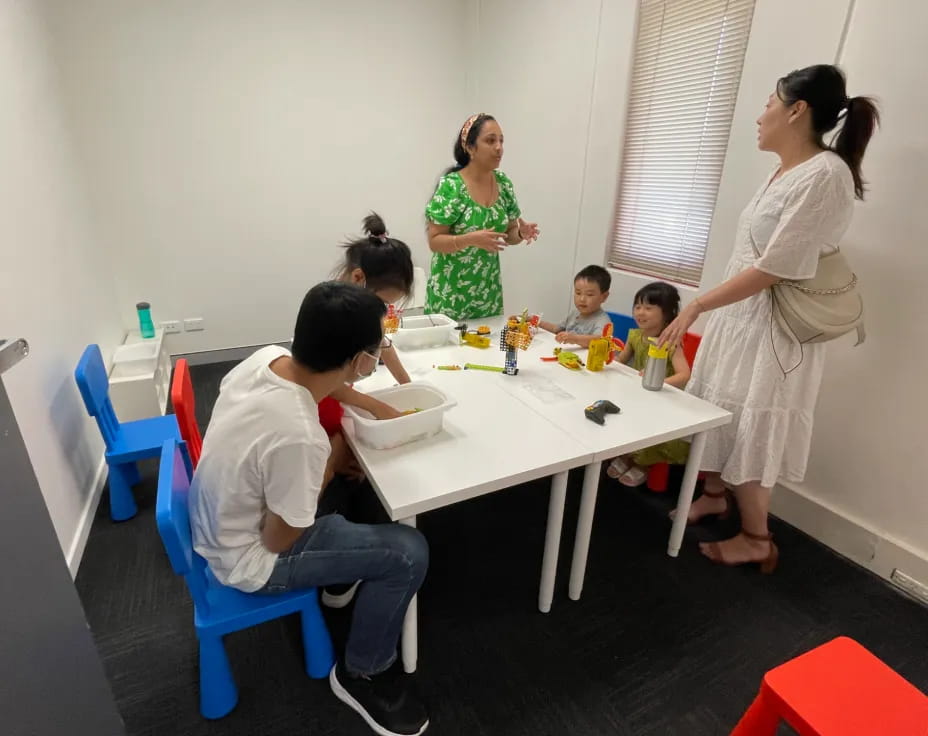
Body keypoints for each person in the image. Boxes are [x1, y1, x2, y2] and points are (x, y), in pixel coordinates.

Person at [657, 65, 879, 572]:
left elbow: (776, 267)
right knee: (721, 410)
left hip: (774, 332)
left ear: (796, 110)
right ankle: (715, 496)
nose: (760, 117)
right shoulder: (786, 171)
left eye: (768, 104)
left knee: (753, 423)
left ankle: (757, 538)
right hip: (742, 321)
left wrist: (698, 304)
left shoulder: (825, 175)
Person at [189, 282, 430, 736]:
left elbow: (332, 390)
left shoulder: (266, 359)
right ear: (359, 360)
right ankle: (363, 673)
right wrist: (331, 463)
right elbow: (278, 539)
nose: (377, 358)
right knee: (408, 552)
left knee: (357, 485)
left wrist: (371, 407)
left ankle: (340, 578)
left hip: (216, 518)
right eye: (377, 350)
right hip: (251, 558)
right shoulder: (300, 436)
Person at [425, 113, 540, 320]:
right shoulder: (452, 186)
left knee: (488, 340)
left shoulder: (503, 183)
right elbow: (435, 241)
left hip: (487, 293)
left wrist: (520, 234)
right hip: (450, 294)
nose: (499, 147)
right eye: (490, 140)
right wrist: (470, 239)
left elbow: (508, 234)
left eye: (501, 141)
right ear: (470, 147)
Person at [318, 212, 415, 434]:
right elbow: (325, 383)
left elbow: (382, 342)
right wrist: (375, 406)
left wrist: (408, 386)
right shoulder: (332, 313)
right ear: (358, 278)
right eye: (383, 302)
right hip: (322, 400)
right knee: (336, 437)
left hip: (343, 392)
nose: (383, 310)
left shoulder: (364, 305)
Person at [606, 281, 692, 486]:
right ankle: (626, 455)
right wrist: (607, 362)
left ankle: (643, 463)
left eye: (648, 308)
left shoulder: (670, 342)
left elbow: (684, 375)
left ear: (667, 313)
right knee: (619, 412)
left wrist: (660, 382)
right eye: (637, 307)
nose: (640, 312)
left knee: (646, 423)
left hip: (662, 398)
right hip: (638, 392)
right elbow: (621, 360)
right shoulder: (635, 335)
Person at [537, 265, 613, 348]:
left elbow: (601, 341)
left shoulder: (603, 321)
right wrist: (537, 322)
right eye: (578, 293)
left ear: (604, 297)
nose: (582, 299)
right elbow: (556, 329)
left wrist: (576, 339)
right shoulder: (574, 313)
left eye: (589, 294)